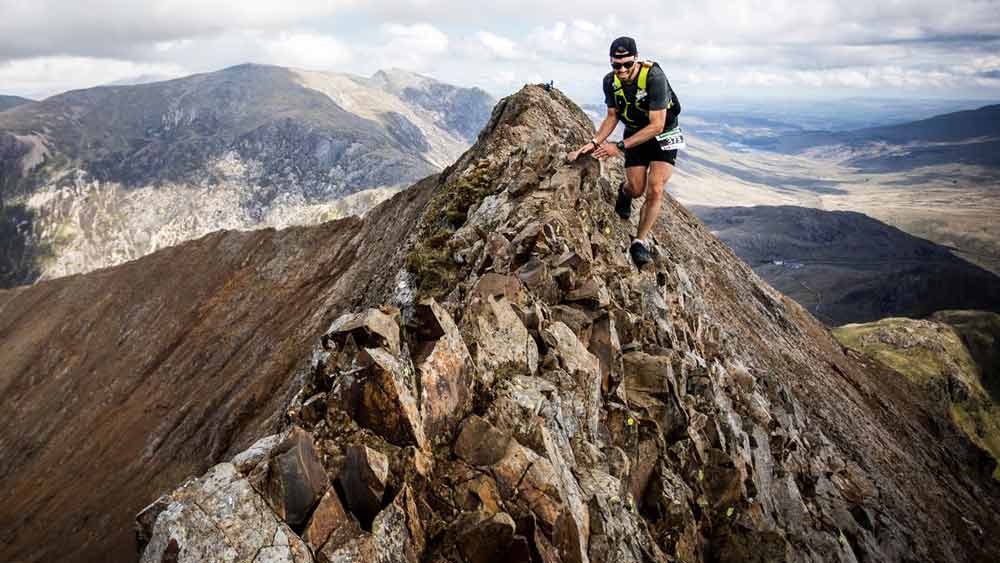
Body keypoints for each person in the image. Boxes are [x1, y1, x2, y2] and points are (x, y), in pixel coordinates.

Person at [568, 36, 682, 268]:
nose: (621, 69)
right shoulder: (610, 82)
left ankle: (639, 242)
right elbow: (612, 116)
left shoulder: (654, 77)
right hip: (636, 133)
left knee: (656, 188)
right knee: (636, 188)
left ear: (636, 59)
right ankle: (625, 192)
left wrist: (618, 146)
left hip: (663, 134)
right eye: (616, 65)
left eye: (627, 64)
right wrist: (594, 141)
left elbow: (657, 125)